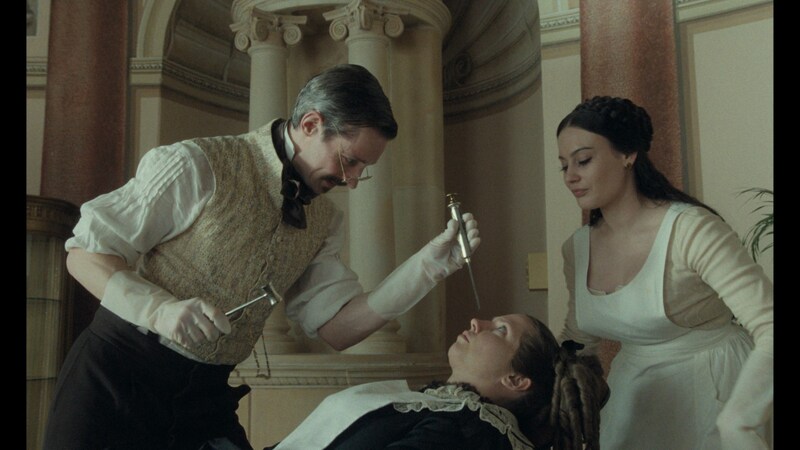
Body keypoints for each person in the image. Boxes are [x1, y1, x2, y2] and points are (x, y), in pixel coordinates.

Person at [42, 63, 481, 450]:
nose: (352, 180)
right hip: (117, 381)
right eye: (350, 161)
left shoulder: (324, 220)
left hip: (205, 400)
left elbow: (339, 329)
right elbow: (84, 254)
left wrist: (426, 268)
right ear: (311, 123)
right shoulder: (196, 163)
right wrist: (159, 310)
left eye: (363, 169)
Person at [556, 96, 773, 449]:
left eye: (583, 160)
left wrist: (742, 419)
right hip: (635, 395)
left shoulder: (692, 230)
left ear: (628, 154)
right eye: (563, 166)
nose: (570, 177)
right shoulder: (577, 248)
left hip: (717, 394)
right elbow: (578, 342)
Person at [267, 313, 609, 450]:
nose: (477, 322)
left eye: (500, 330)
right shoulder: (448, 410)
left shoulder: (469, 429)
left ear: (516, 379)